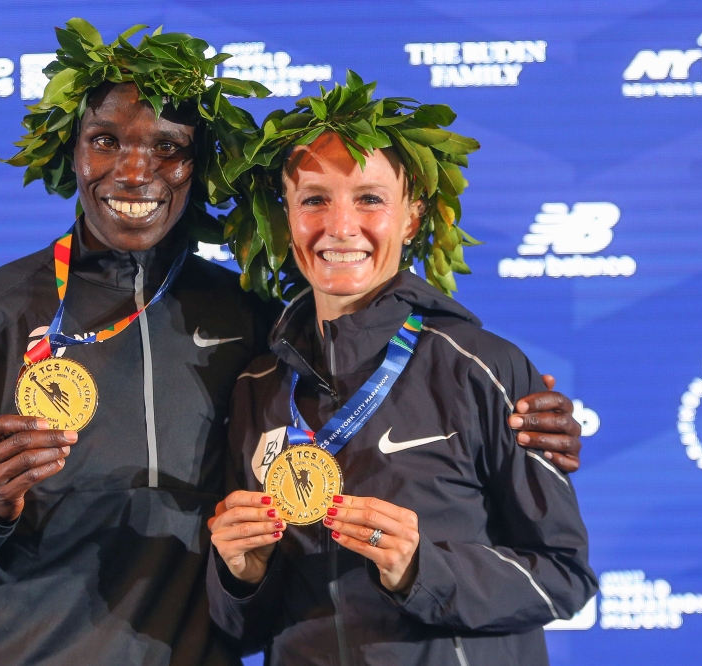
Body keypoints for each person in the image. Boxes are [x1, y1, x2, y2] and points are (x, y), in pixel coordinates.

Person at [0, 21, 582, 666]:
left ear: (199, 167)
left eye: (167, 148)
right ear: (72, 150)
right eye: (107, 140)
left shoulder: (256, 328)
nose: (134, 172)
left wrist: (523, 414)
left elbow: (386, 359)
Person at [207, 77, 597, 665]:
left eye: (369, 199)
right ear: (285, 218)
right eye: (314, 199)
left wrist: (424, 569)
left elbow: (563, 578)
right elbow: (242, 631)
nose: (340, 226)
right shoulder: (257, 386)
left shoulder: (481, 366)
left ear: (411, 218)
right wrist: (241, 574)